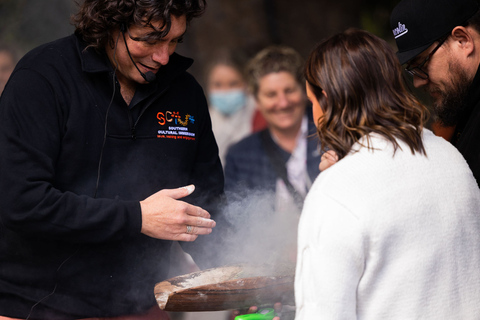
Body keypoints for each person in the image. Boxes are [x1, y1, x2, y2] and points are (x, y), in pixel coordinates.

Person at [0, 0, 226, 319]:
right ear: (109, 24)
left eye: (174, 40)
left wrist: (246, 271)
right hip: (34, 307)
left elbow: (208, 207)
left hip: (142, 306)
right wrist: (137, 217)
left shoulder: (185, 93)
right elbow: (20, 202)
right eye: (148, 39)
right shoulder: (41, 77)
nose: (164, 56)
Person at [295, 28, 480, 319]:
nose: (315, 116)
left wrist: (338, 181)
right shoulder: (450, 157)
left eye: (312, 102)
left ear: (327, 98)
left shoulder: (335, 191)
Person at [390, 0, 480, 186]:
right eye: (411, 70)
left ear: (463, 40)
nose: (417, 82)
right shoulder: (463, 106)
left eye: (421, 63)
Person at [205, 48, 257, 166]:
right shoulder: (203, 125)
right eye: (217, 85)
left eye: (233, 84)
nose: (225, 91)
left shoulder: (261, 114)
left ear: (247, 84)